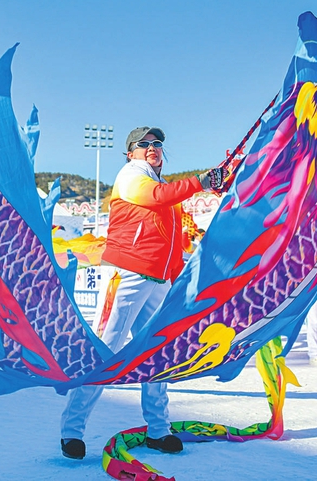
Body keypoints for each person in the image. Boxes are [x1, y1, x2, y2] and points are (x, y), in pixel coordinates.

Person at [59, 126, 222, 460]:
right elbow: (155, 198)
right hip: (126, 274)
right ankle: (71, 431)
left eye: (157, 143)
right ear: (130, 152)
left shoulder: (162, 185)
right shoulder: (131, 175)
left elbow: (172, 235)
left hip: (157, 280)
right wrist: (201, 181)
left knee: (157, 352)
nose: (152, 147)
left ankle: (158, 429)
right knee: (106, 351)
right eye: (143, 144)